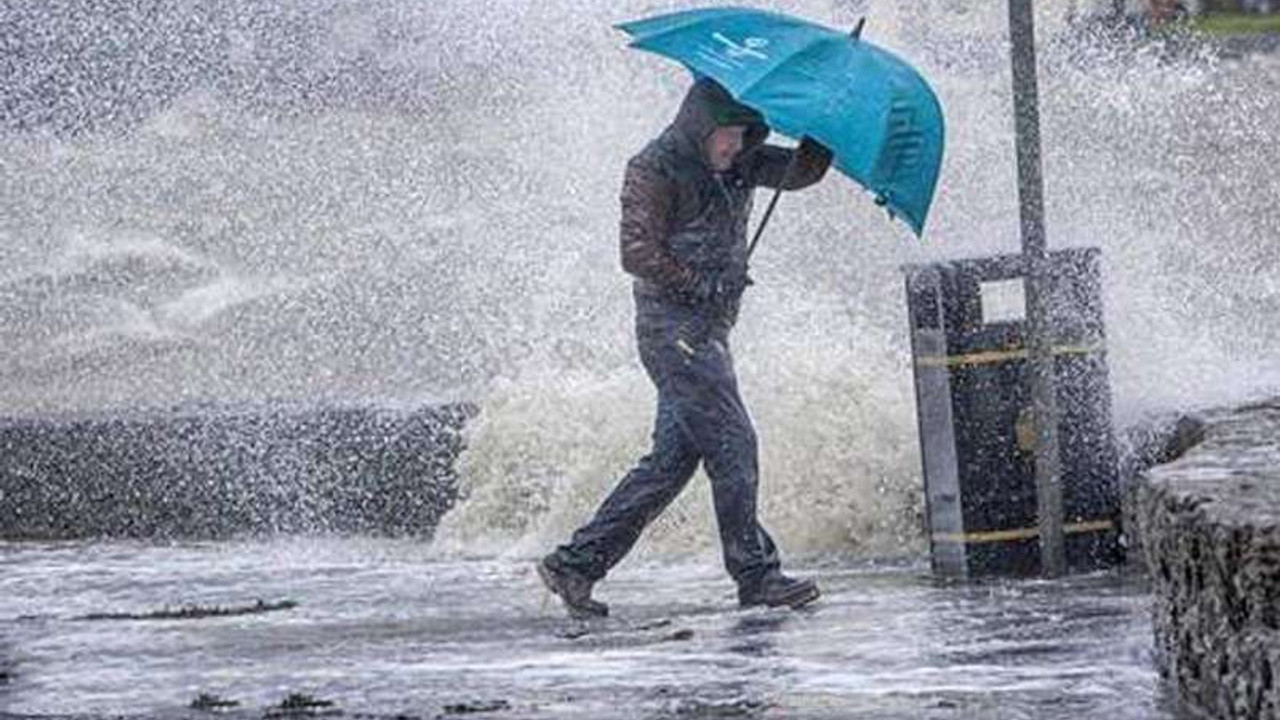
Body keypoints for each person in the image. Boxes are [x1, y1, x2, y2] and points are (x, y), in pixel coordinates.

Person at [537, 77, 833, 618]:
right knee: (734, 443)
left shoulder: (740, 160)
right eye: (727, 135)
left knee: (671, 462)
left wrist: (824, 130)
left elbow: (800, 173)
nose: (735, 147)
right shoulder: (653, 168)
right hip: (672, 330)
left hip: (709, 331)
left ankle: (575, 564)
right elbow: (636, 252)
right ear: (701, 127)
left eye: (745, 135)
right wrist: (700, 284)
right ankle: (756, 574)